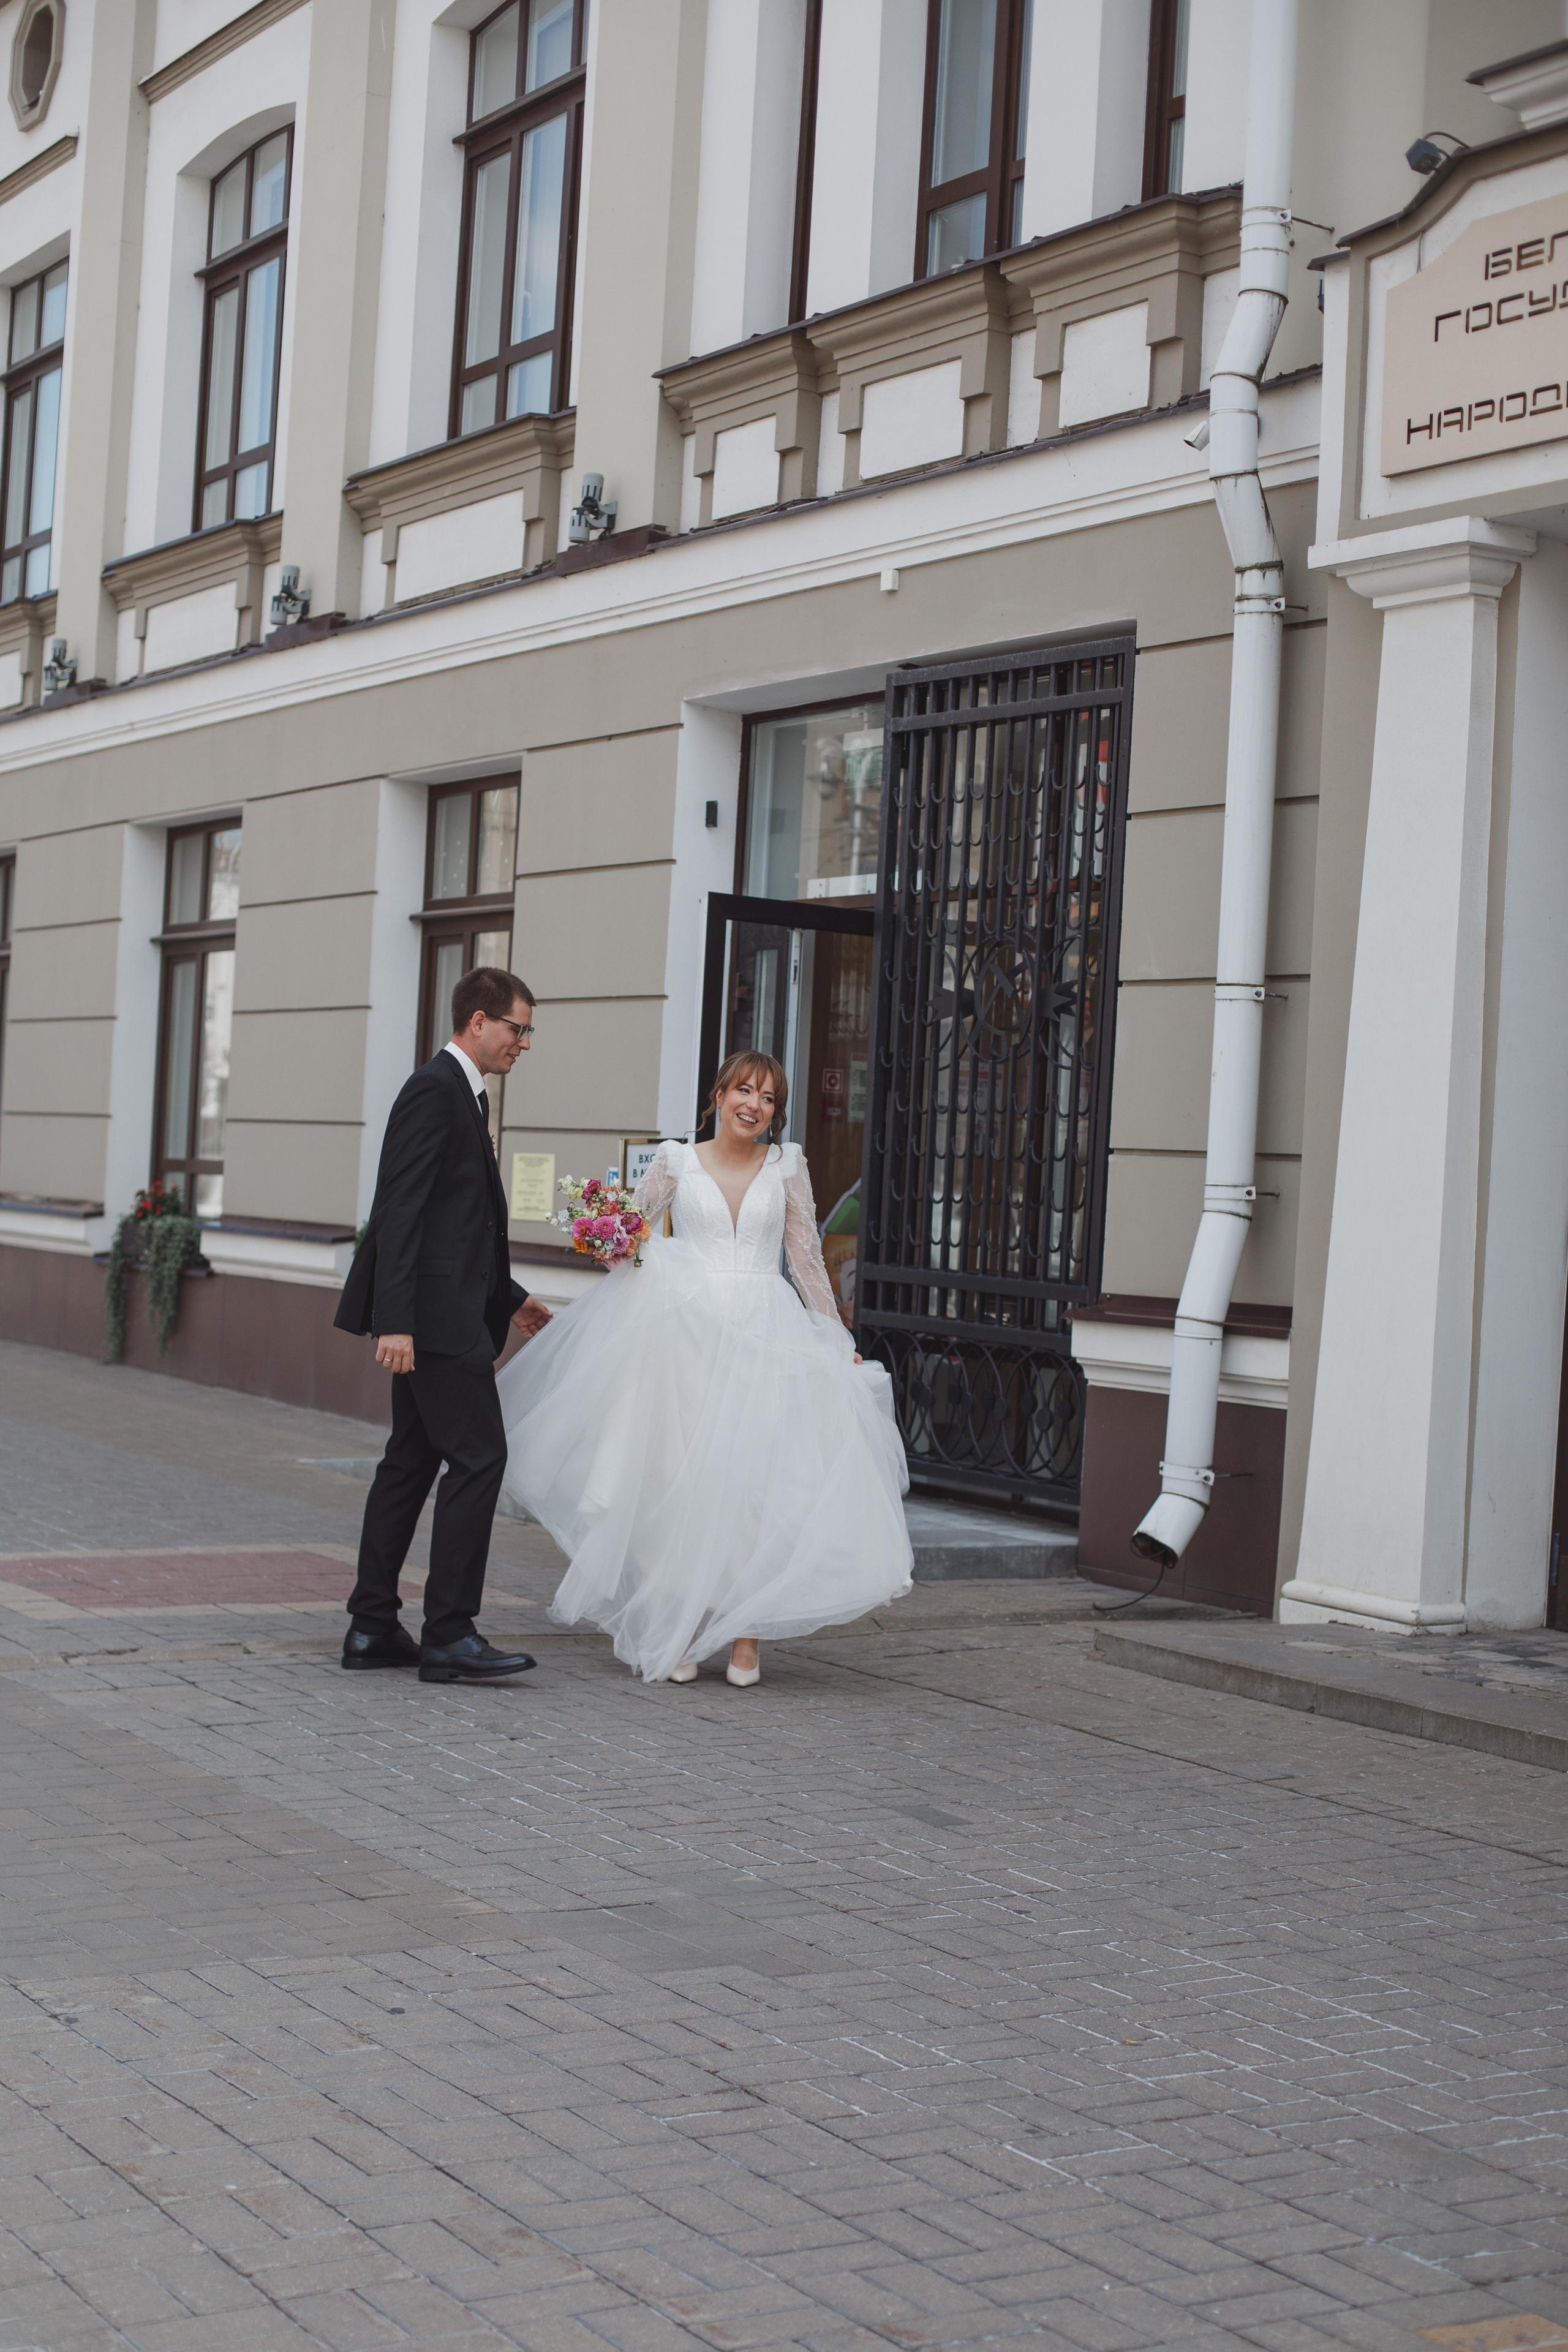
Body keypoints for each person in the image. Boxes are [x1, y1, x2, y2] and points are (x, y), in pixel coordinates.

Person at [496, 1049, 913, 1684]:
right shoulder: (674, 1161)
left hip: (764, 1333)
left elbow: (804, 1261)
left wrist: (834, 1335)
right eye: (744, 1090)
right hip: (684, 1336)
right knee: (681, 1481)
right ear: (718, 1096)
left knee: (754, 1483)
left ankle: (744, 1635)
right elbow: (629, 1245)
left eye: (768, 1098)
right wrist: (604, 1238)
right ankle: (682, 1627)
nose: (754, 1105)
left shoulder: (788, 1166)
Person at [334, 966, 552, 1683]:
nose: (525, 1043)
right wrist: (395, 1322)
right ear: (478, 1022)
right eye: (519, 1028)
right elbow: (400, 1211)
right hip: (433, 1325)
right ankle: (450, 1635)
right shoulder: (435, 1090)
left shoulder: (465, 1095)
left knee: (410, 1463)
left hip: (447, 1312)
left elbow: (459, 1227)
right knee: (480, 1457)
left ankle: (371, 1627)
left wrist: (510, 1297)